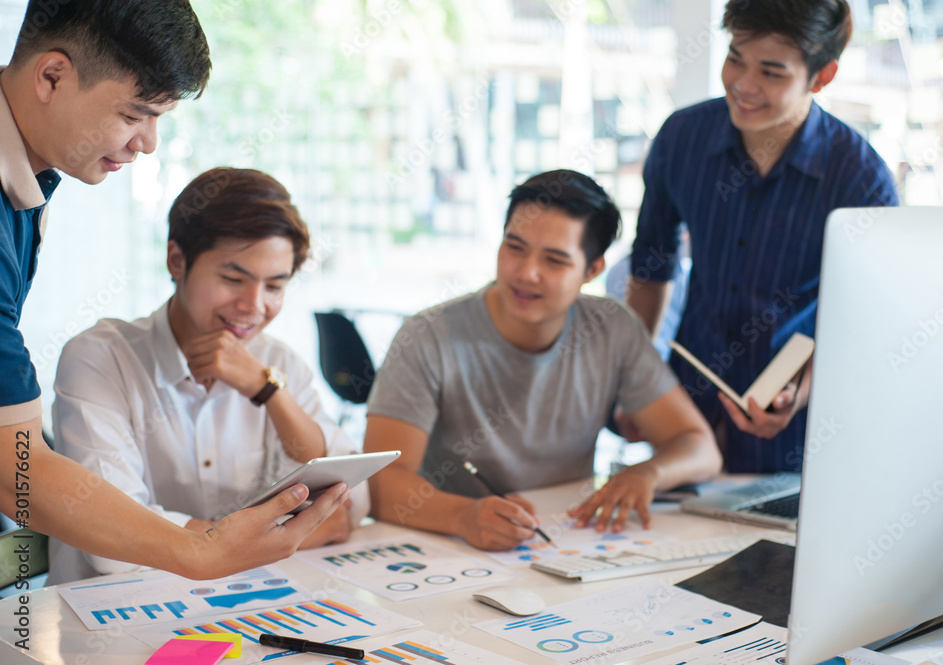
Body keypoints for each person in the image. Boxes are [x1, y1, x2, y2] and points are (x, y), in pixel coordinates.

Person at [0, 0, 346, 582]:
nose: (148, 143)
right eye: (136, 114)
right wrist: (205, 549)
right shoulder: (102, 355)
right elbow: (14, 464)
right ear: (52, 76)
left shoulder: (28, 190)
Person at [363, 170, 721, 551]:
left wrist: (648, 473)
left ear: (593, 270)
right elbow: (381, 481)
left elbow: (700, 448)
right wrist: (462, 515)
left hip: (565, 541)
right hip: (452, 551)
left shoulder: (612, 328)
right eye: (514, 247)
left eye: (554, 260)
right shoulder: (427, 335)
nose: (526, 273)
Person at [47, 168, 369, 583]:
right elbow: (116, 543)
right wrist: (286, 535)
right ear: (177, 260)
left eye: (274, 286)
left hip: (239, 609)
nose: (253, 306)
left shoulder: (277, 362)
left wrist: (269, 391)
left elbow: (349, 506)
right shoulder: (101, 358)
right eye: (233, 279)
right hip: (108, 618)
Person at [627, 0, 899, 472]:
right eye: (735, 58)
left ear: (822, 76)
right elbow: (652, 266)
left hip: (797, 434)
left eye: (772, 73)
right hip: (686, 413)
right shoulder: (681, 138)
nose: (743, 86)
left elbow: (865, 323)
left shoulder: (860, 179)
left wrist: (801, 391)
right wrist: (632, 382)